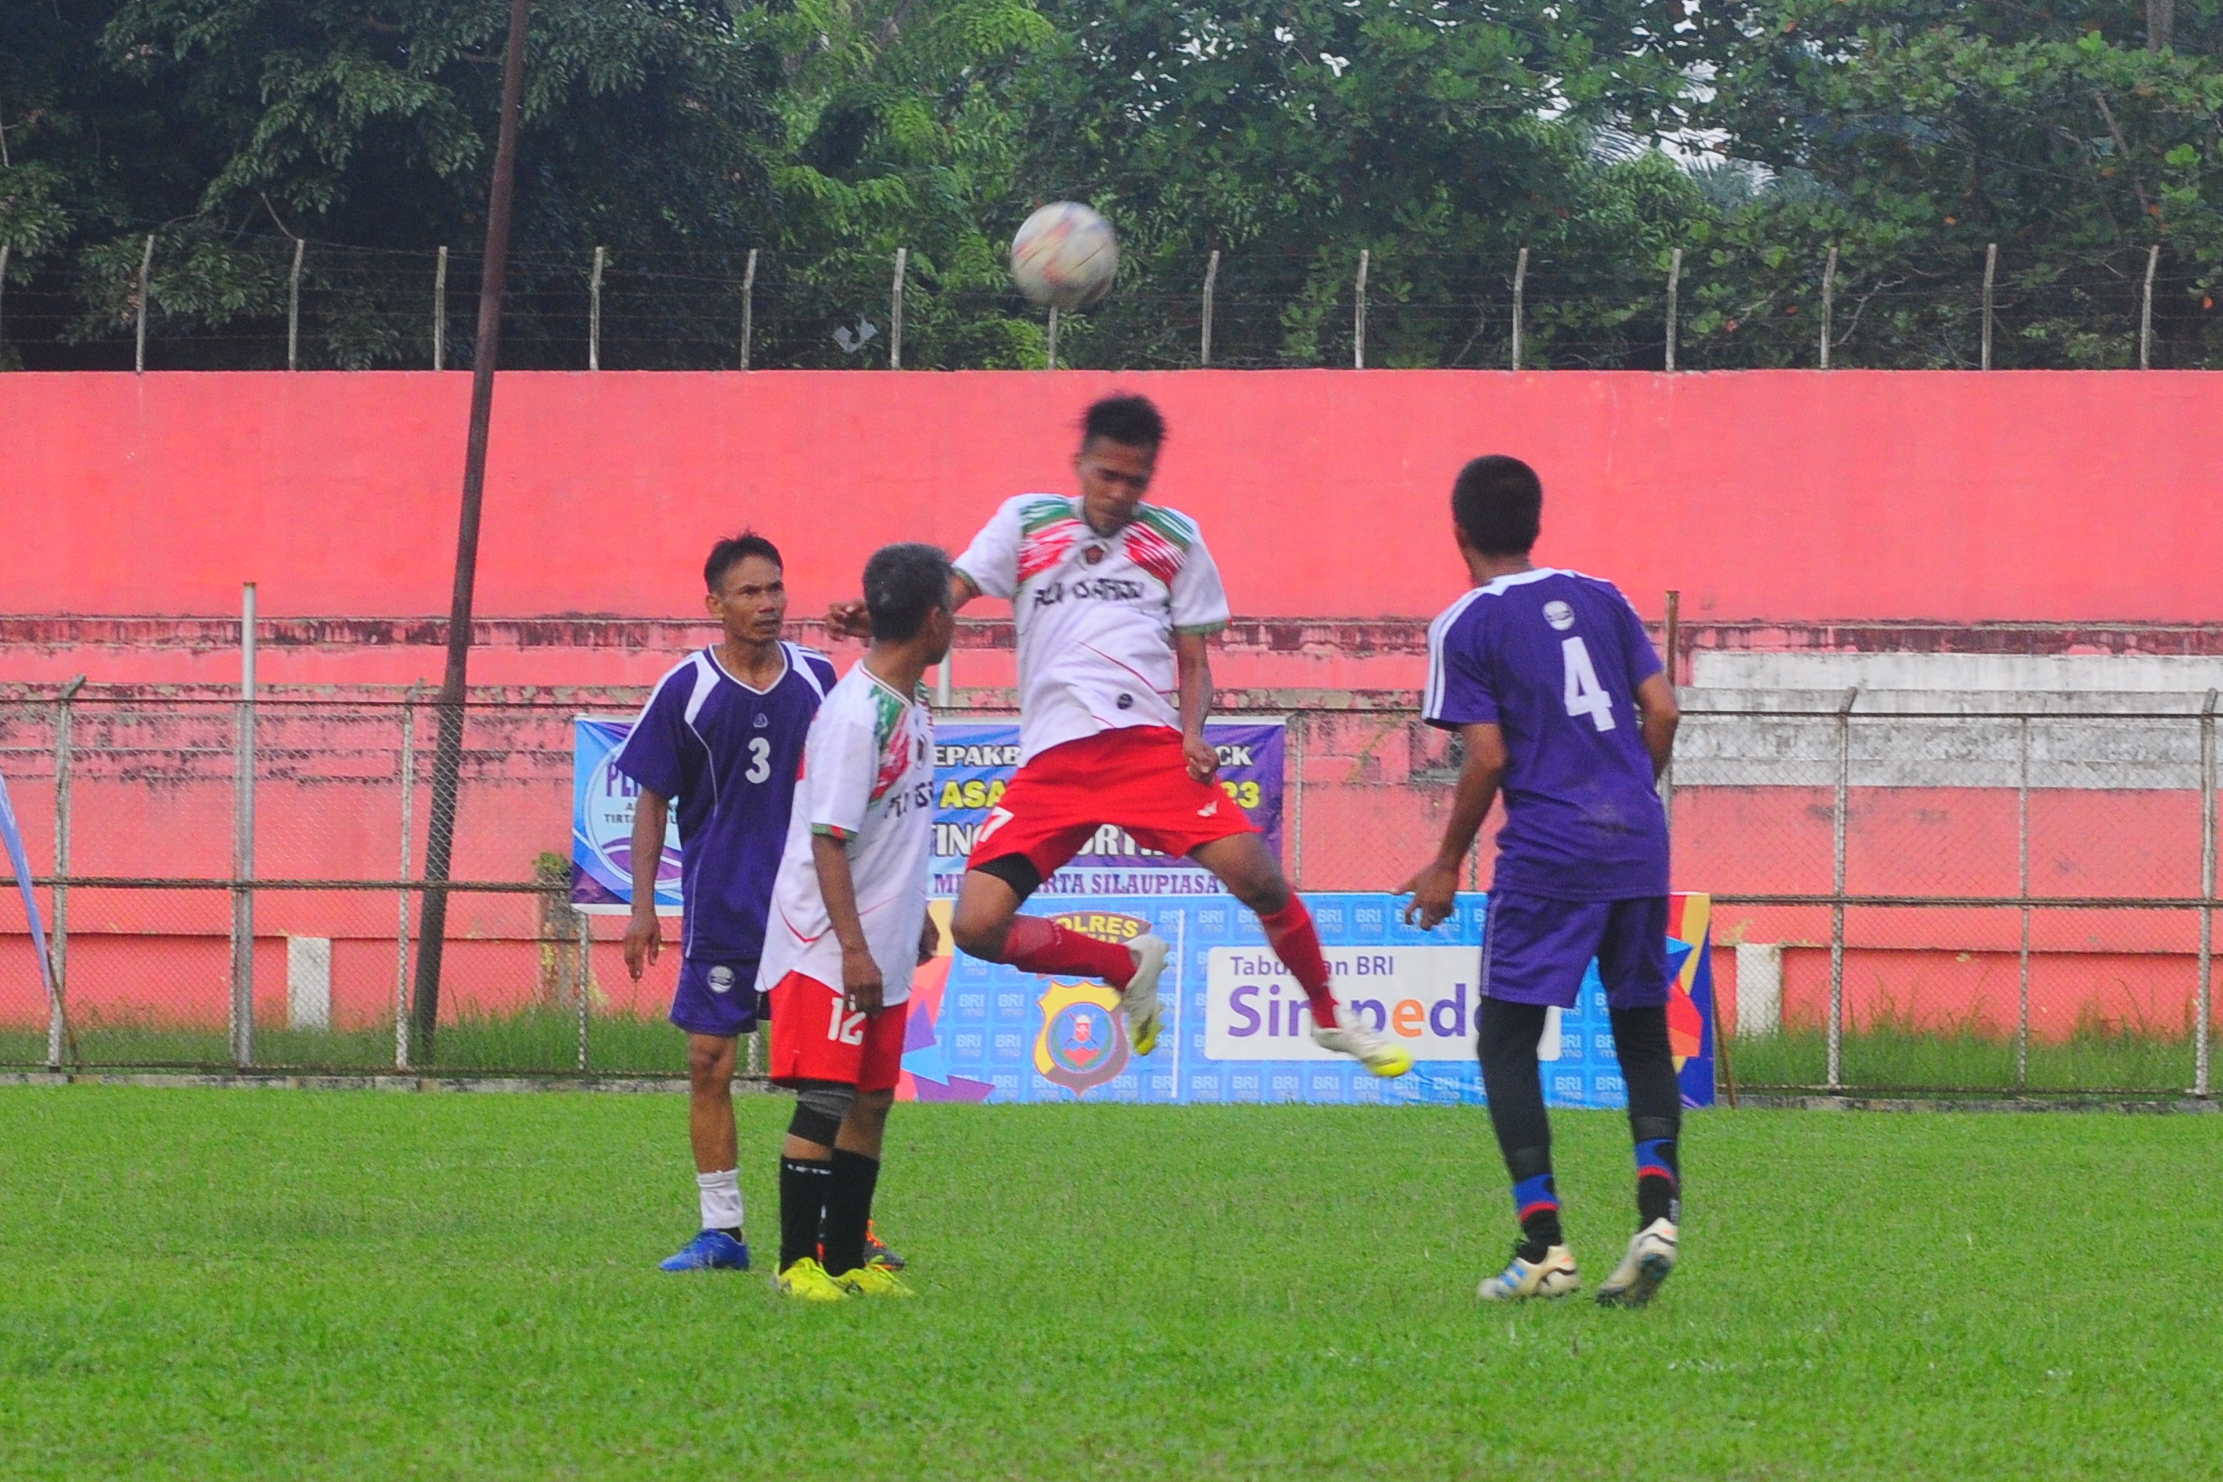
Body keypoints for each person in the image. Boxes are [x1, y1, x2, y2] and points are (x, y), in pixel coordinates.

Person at [830, 394, 1410, 1078]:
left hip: (1143, 748)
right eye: (1106, 475)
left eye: (1134, 481)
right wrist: (877, 618)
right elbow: (941, 602)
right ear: (1079, 464)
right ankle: (1120, 964)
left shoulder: (1175, 538)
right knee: (977, 927)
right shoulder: (1025, 522)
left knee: (1258, 877)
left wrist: (1192, 731)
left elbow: (1194, 663)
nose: (1118, 492)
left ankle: (1329, 1017)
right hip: (1052, 763)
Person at [1398, 455, 1685, 1307]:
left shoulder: (1465, 621)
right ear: (1535, 522)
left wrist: (1446, 862)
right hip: (1638, 840)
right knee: (1639, 1030)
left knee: (1505, 1038)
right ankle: (1657, 1215)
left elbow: (1485, 754)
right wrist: (1632, 793)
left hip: (1551, 850)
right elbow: (1662, 710)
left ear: (1458, 533)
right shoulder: (1602, 594)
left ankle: (1543, 1244)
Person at [615, 533, 837, 1274]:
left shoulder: (820, 679)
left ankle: (845, 1222)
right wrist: (642, 906)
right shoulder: (687, 687)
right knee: (709, 1064)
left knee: (825, 1072)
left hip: (809, 909)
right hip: (723, 910)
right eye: (749, 592)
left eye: (775, 587)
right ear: (715, 605)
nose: (768, 602)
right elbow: (653, 801)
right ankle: (723, 1232)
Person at [759, 543, 952, 1301]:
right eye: (953, 612)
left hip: (882, 938)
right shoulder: (853, 715)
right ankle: (793, 1265)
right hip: (828, 945)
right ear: (933, 619)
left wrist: (914, 919)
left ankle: (844, 1260)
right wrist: (854, 951)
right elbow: (827, 839)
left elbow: (892, 830)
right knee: (828, 1098)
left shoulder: (907, 704)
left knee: (871, 1098)